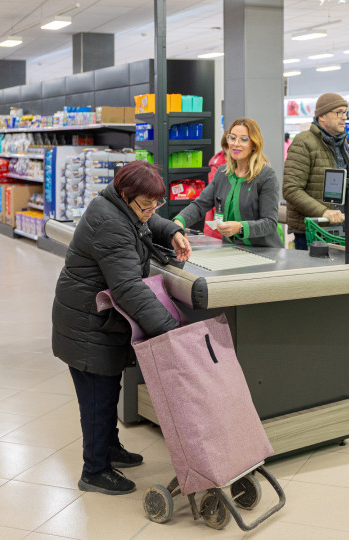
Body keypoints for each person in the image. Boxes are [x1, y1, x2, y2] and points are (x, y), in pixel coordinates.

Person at [52, 160, 191, 496]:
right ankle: (95, 470)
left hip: (96, 320)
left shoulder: (117, 204)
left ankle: (109, 448)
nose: (151, 211)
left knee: (108, 389)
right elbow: (128, 287)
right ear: (126, 196)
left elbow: (149, 221)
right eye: (146, 205)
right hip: (88, 325)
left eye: (157, 203)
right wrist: (171, 331)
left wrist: (171, 230)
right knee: (98, 398)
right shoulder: (111, 224)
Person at [173, 118, 281, 247]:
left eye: (244, 139)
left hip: (265, 252)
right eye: (232, 138)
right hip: (233, 249)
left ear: (254, 144)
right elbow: (199, 205)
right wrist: (178, 223)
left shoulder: (266, 176)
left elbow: (270, 223)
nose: (236, 143)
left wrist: (240, 227)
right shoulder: (222, 173)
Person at [283, 92, 349, 250]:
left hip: (340, 229)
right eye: (338, 112)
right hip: (313, 232)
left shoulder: (342, 142)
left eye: (345, 112)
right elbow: (290, 189)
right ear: (322, 116)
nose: (344, 117)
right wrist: (324, 212)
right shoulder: (304, 142)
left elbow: (332, 183)